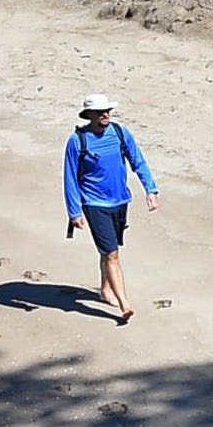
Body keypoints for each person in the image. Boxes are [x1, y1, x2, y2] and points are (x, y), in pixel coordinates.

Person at [62, 94, 161, 320]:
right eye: (99, 112)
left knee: (108, 251)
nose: (105, 114)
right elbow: (69, 178)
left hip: (120, 201)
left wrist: (150, 189)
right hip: (94, 204)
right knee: (112, 254)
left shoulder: (120, 133)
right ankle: (124, 303)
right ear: (88, 115)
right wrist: (75, 212)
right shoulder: (77, 141)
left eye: (107, 110)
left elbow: (138, 161)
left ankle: (105, 289)